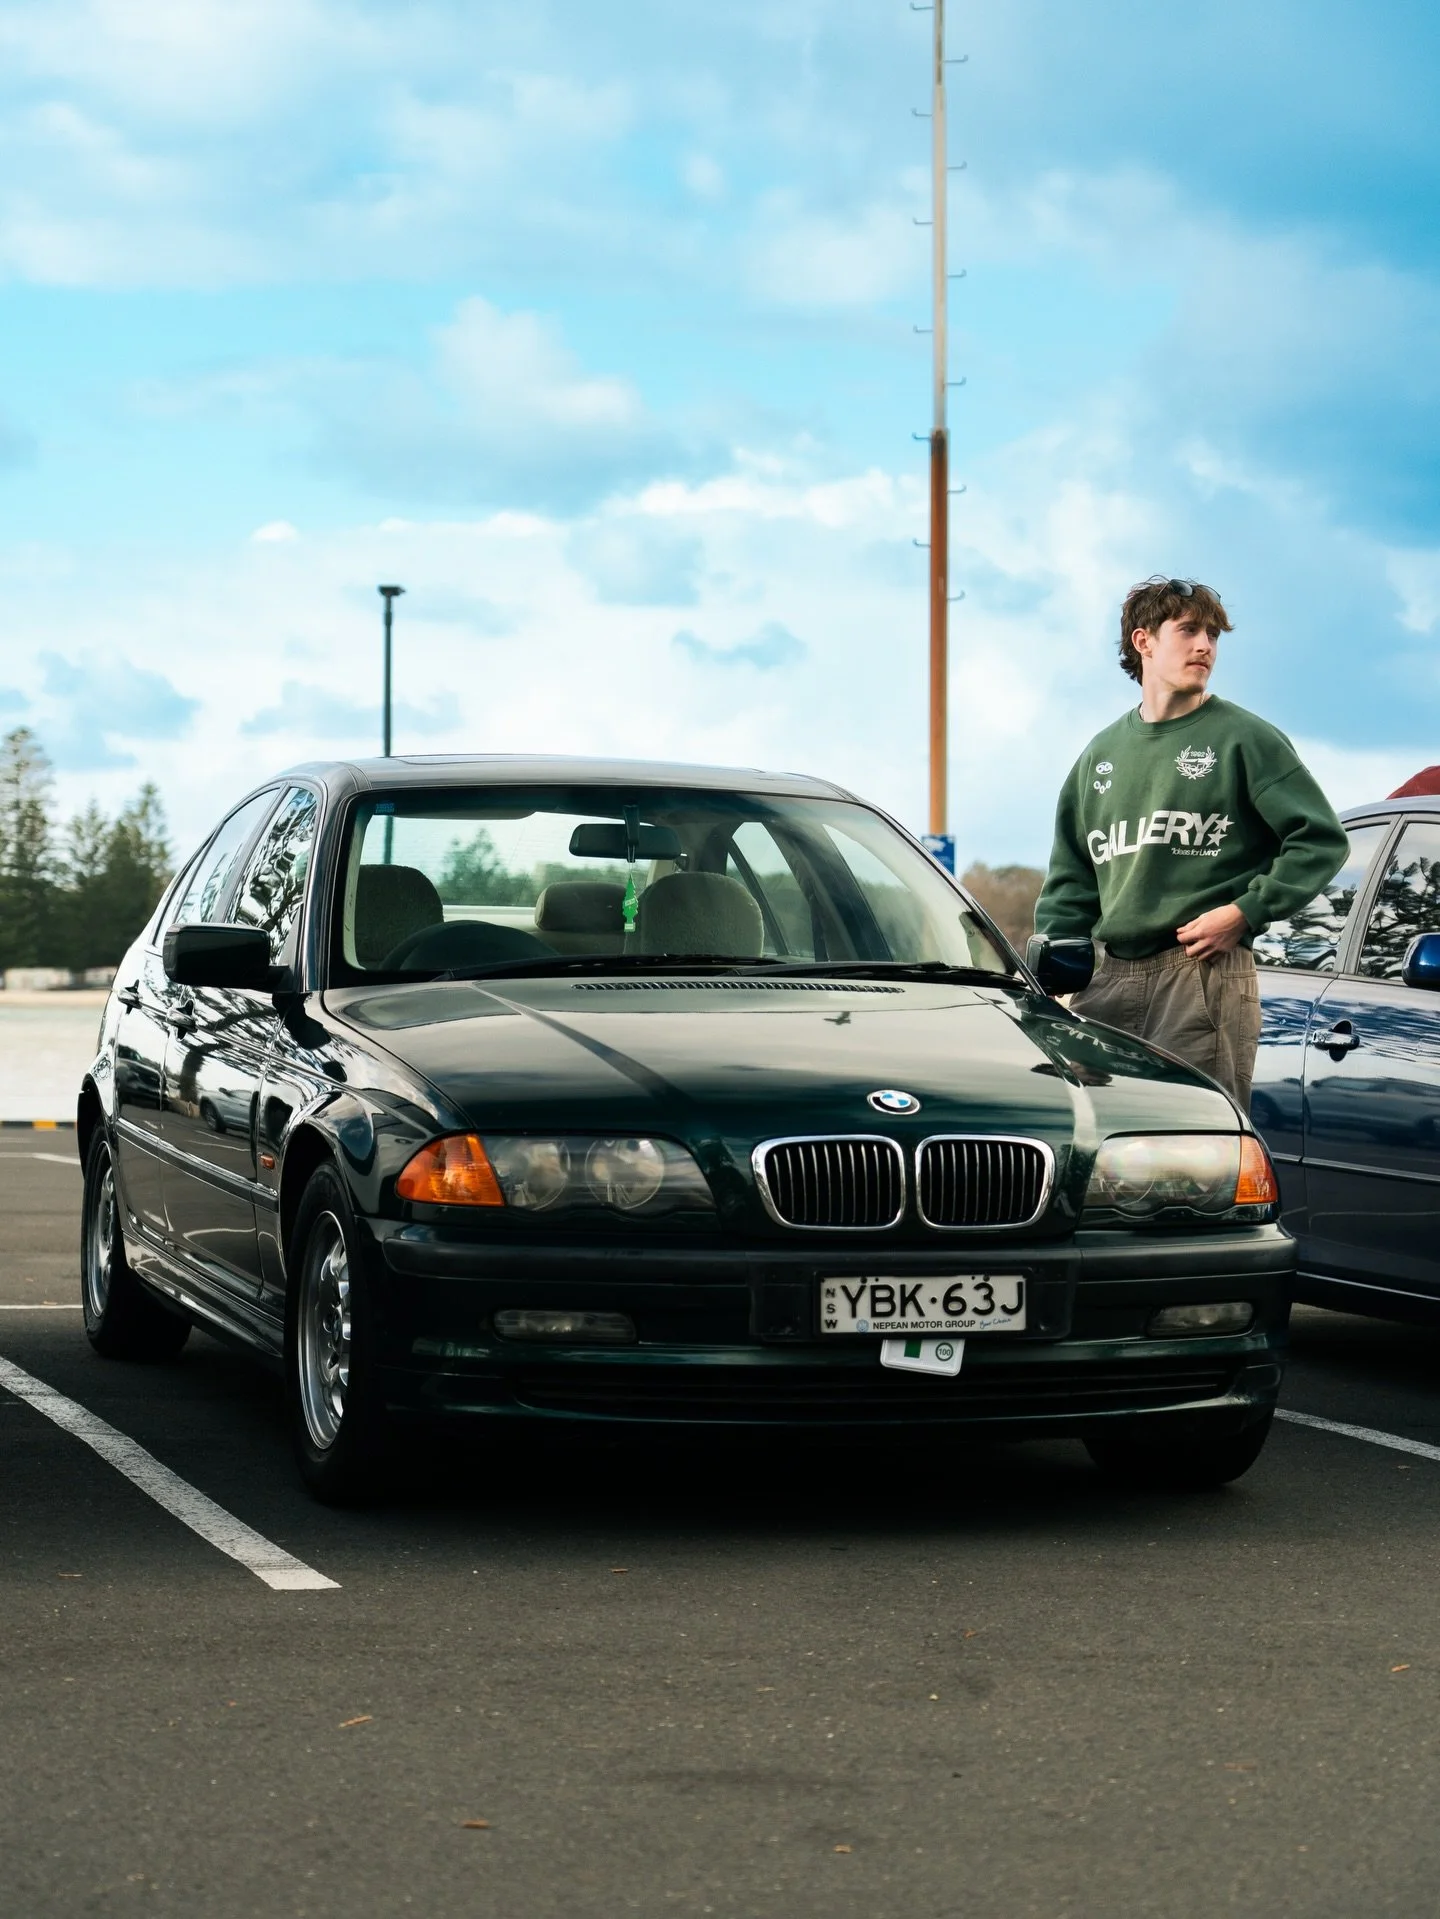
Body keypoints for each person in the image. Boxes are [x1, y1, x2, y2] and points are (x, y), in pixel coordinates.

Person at [1033, 576, 1349, 1109]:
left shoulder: (1246, 739)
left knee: (1199, 1144)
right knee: (1096, 1140)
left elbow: (1318, 839)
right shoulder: (1100, 755)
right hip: (1106, 981)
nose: (1205, 646)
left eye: (1213, 635)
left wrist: (1245, 912)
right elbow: (1070, 879)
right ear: (1144, 641)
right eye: (1189, 631)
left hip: (1201, 972)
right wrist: (1053, 977)